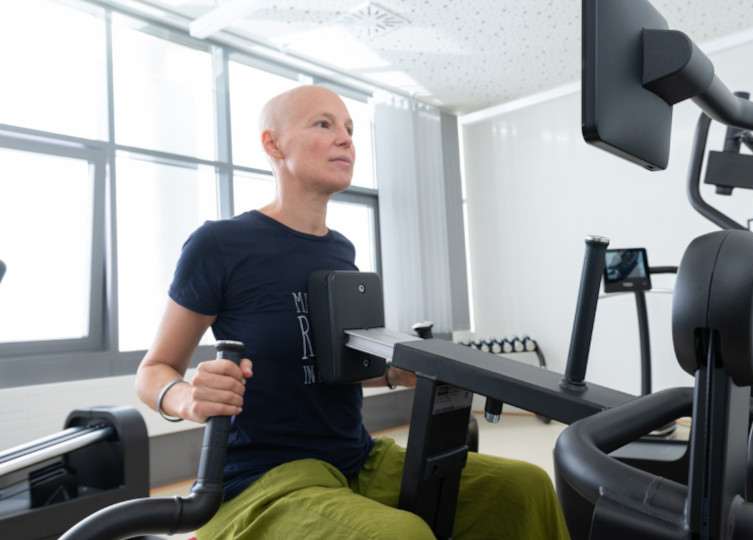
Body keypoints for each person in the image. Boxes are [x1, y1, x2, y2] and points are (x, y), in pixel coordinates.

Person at [134, 85, 570, 540]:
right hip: (262, 478)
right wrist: (189, 399)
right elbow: (153, 370)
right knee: (400, 536)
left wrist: (395, 372)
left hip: (355, 459)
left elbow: (323, 368)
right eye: (324, 124)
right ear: (273, 144)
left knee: (525, 488)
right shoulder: (220, 245)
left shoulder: (340, 252)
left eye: (349, 128)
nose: (345, 138)